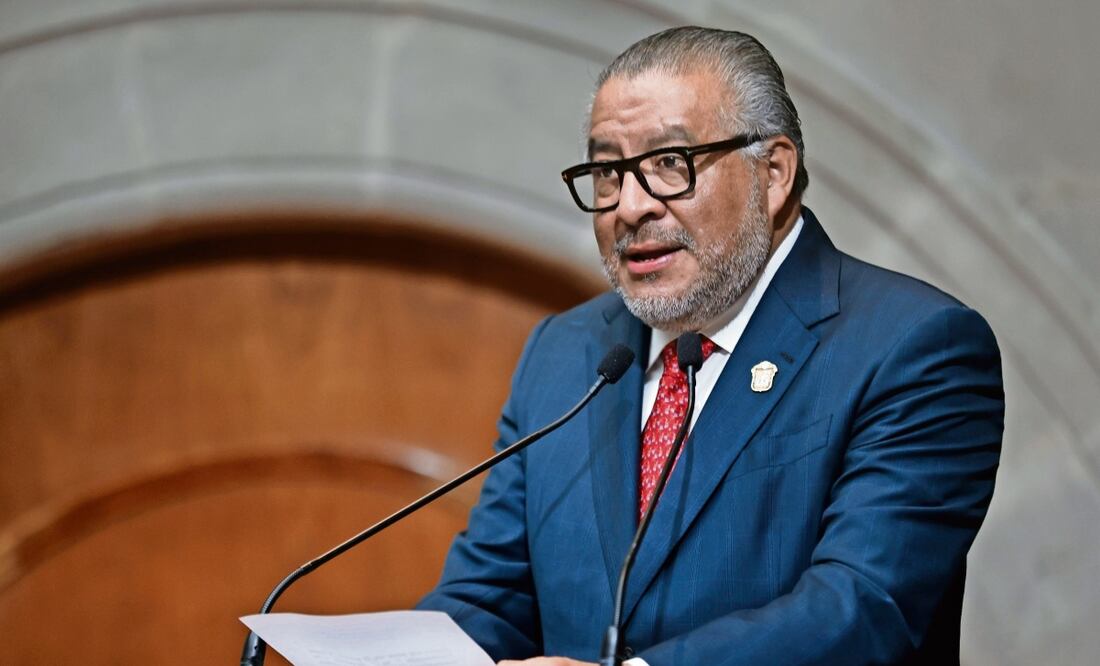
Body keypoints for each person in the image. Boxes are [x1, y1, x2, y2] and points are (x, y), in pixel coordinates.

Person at [417, 26, 1004, 665]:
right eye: (608, 171)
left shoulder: (914, 348)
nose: (631, 206)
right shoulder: (565, 352)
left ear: (773, 173)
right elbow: (488, 600)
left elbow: (862, 607)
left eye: (670, 164)